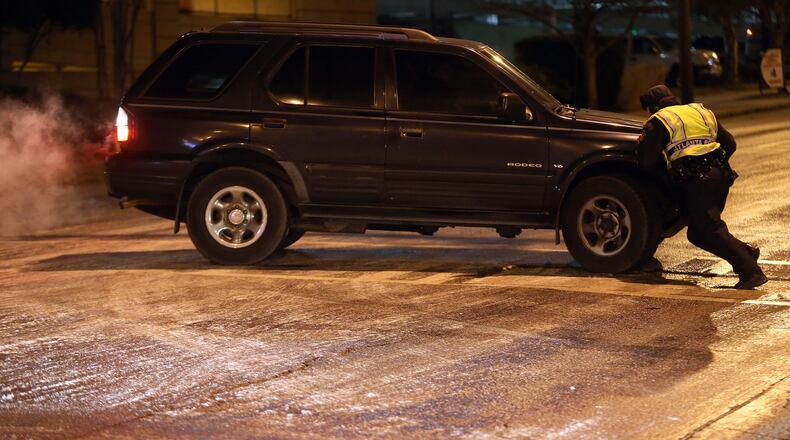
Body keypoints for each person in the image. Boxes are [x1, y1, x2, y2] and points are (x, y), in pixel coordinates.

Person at [637, 85, 767, 289]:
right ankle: (746, 252)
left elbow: (646, 161)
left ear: (651, 107)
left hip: (697, 180)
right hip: (721, 175)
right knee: (697, 233)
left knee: (709, 228)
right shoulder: (700, 111)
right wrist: (713, 162)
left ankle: (750, 271)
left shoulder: (659, 120)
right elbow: (730, 143)